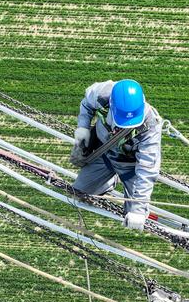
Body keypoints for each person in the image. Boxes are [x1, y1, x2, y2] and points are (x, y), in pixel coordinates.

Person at [70, 79, 163, 231]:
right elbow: (86, 104)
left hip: (130, 166)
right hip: (104, 153)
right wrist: (83, 127)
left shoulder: (150, 126)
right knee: (78, 192)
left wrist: (138, 210)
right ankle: (108, 181)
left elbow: (147, 168)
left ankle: (125, 188)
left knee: (133, 216)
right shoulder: (101, 94)